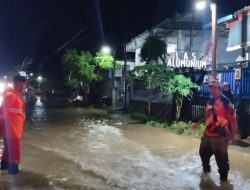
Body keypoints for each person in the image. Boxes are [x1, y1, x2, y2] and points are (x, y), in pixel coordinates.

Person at [193, 79, 237, 182]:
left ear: (219, 89)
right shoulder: (210, 100)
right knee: (203, 154)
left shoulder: (226, 103)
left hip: (220, 137)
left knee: (222, 162)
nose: (211, 89)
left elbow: (233, 120)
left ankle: (224, 183)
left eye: (213, 87)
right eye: (210, 87)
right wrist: (198, 123)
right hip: (207, 134)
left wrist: (233, 135)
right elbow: (207, 114)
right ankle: (206, 176)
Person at [0, 74, 27, 175]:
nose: (24, 86)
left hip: (14, 131)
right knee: (15, 155)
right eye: (22, 83)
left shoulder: (16, 95)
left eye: (24, 84)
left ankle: (3, 172)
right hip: (12, 132)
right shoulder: (11, 96)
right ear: (16, 83)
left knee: (8, 153)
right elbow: (2, 114)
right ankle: (14, 178)